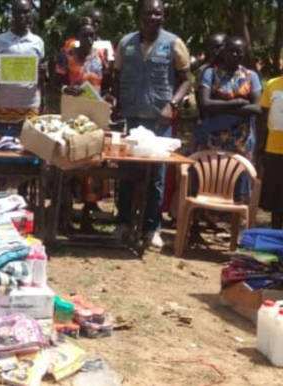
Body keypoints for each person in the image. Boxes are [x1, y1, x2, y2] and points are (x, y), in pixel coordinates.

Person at [113, 0, 191, 248]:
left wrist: (173, 104)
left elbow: (186, 81)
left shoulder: (173, 44)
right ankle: (123, 222)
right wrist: (115, 102)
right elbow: (116, 75)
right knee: (126, 173)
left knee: (157, 176)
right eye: (148, 13)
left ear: (163, 16)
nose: (152, 17)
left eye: (157, 13)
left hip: (159, 120)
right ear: (140, 16)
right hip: (131, 119)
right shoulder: (126, 43)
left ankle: (151, 228)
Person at [55, 21, 113, 232]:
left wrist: (108, 96)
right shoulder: (67, 55)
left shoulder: (101, 56)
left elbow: (107, 83)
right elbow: (55, 83)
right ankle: (64, 217)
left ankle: (88, 218)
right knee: (69, 163)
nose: (88, 39)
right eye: (84, 35)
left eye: (92, 35)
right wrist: (66, 89)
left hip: (94, 117)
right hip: (72, 116)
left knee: (92, 167)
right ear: (77, 36)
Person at [195, 37, 260, 197]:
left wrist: (222, 107)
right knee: (208, 176)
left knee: (238, 178)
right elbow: (204, 104)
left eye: (239, 51)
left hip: (241, 139)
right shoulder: (210, 73)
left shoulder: (251, 76)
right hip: (212, 136)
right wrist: (237, 102)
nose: (235, 54)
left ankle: (236, 219)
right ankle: (203, 218)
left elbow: (257, 108)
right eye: (232, 50)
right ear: (225, 51)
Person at [0, 0, 45, 132]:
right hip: (5, 105)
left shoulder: (38, 42)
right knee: (2, 149)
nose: (22, 16)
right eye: (18, 12)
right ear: (12, 13)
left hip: (30, 106)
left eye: (26, 12)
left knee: (28, 150)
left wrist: (41, 73)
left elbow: (41, 79)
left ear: (31, 14)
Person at [258, 76, 283, 229]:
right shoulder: (272, 84)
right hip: (273, 149)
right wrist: (260, 147)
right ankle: (276, 234)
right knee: (276, 194)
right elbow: (263, 119)